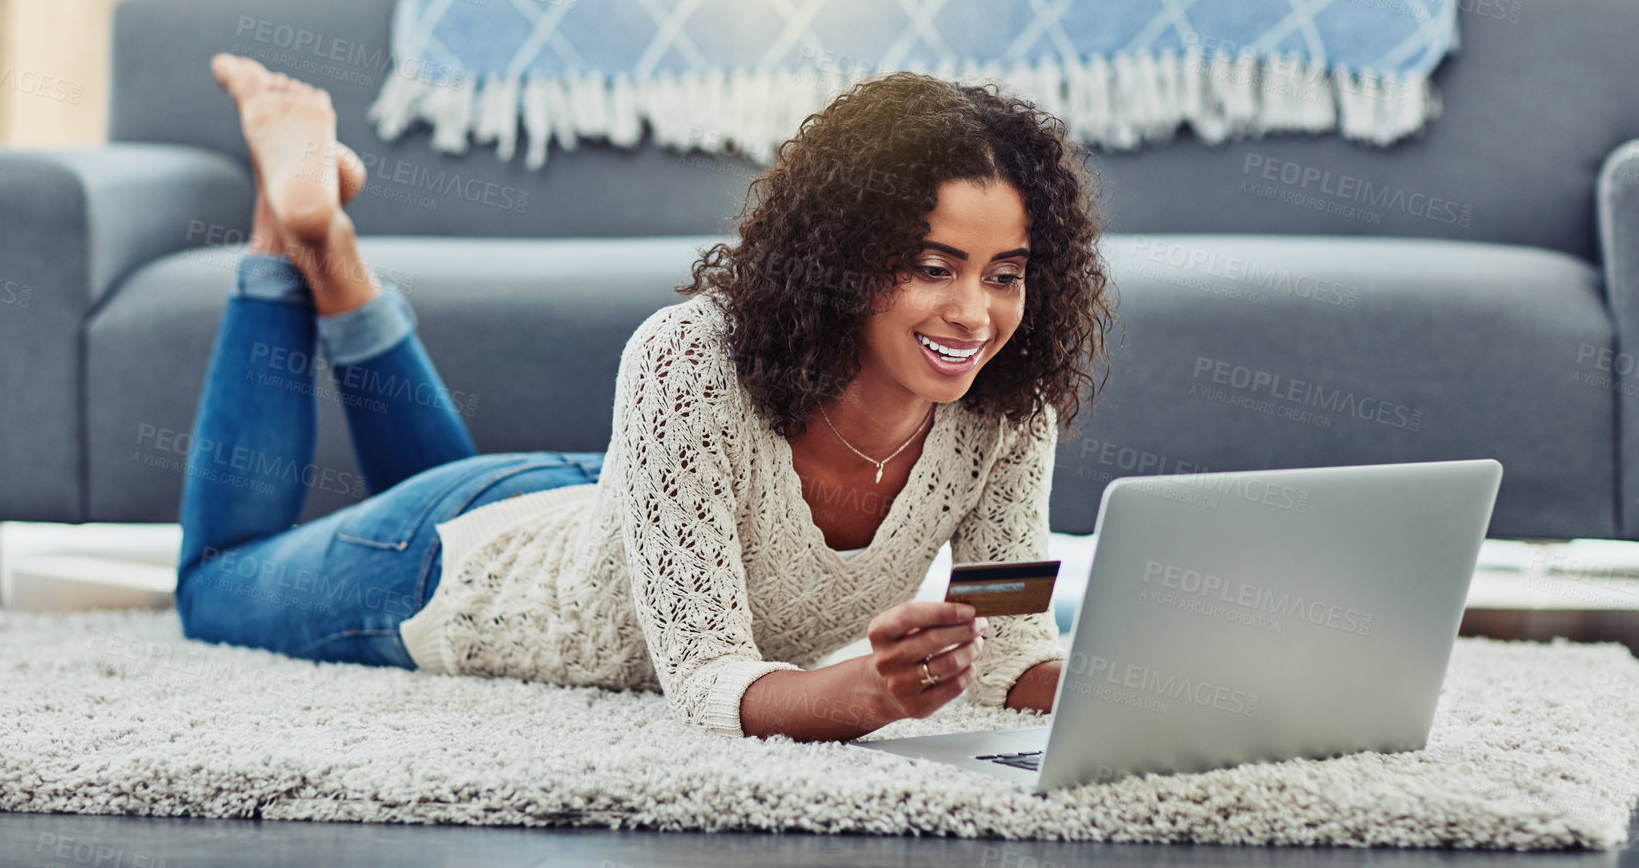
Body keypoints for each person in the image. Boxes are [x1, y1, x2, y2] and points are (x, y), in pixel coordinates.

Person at [176, 54, 1113, 742]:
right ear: (845, 257)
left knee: (451, 480)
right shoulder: (691, 361)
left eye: (1005, 275)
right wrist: (870, 691)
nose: (974, 314)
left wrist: (1144, 685)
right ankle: (284, 225)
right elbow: (706, 680)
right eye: (932, 268)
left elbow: (1009, 648)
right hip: (451, 575)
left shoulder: (1005, 407)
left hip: (592, 507)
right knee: (213, 583)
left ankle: (333, 254)